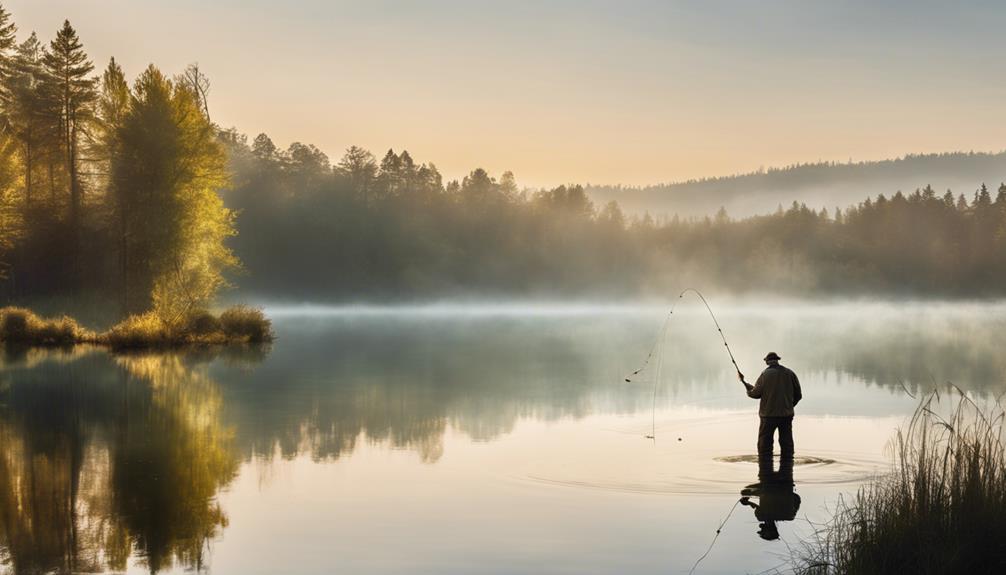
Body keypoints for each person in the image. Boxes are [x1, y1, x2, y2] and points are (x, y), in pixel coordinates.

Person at [738, 352, 802, 457]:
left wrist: (744, 383)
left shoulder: (765, 375)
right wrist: (789, 406)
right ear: (777, 360)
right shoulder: (790, 373)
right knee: (787, 444)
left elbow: (755, 394)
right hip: (786, 415)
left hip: (768, 416)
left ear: (767, 362)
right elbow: (798, 395)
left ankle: (765, 467)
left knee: (765, 445)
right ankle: (788, 466)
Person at [739, 455, 800, 541]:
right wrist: (747, 499)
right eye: (762, 531)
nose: (760, 528)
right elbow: (759, 501)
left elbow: (797, 498)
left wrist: (787, 493)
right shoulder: (760, 516)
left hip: (786, 482)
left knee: (787, 457)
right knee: (765, 457)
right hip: (767, 482)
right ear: (768, 530)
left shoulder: (790, 516)